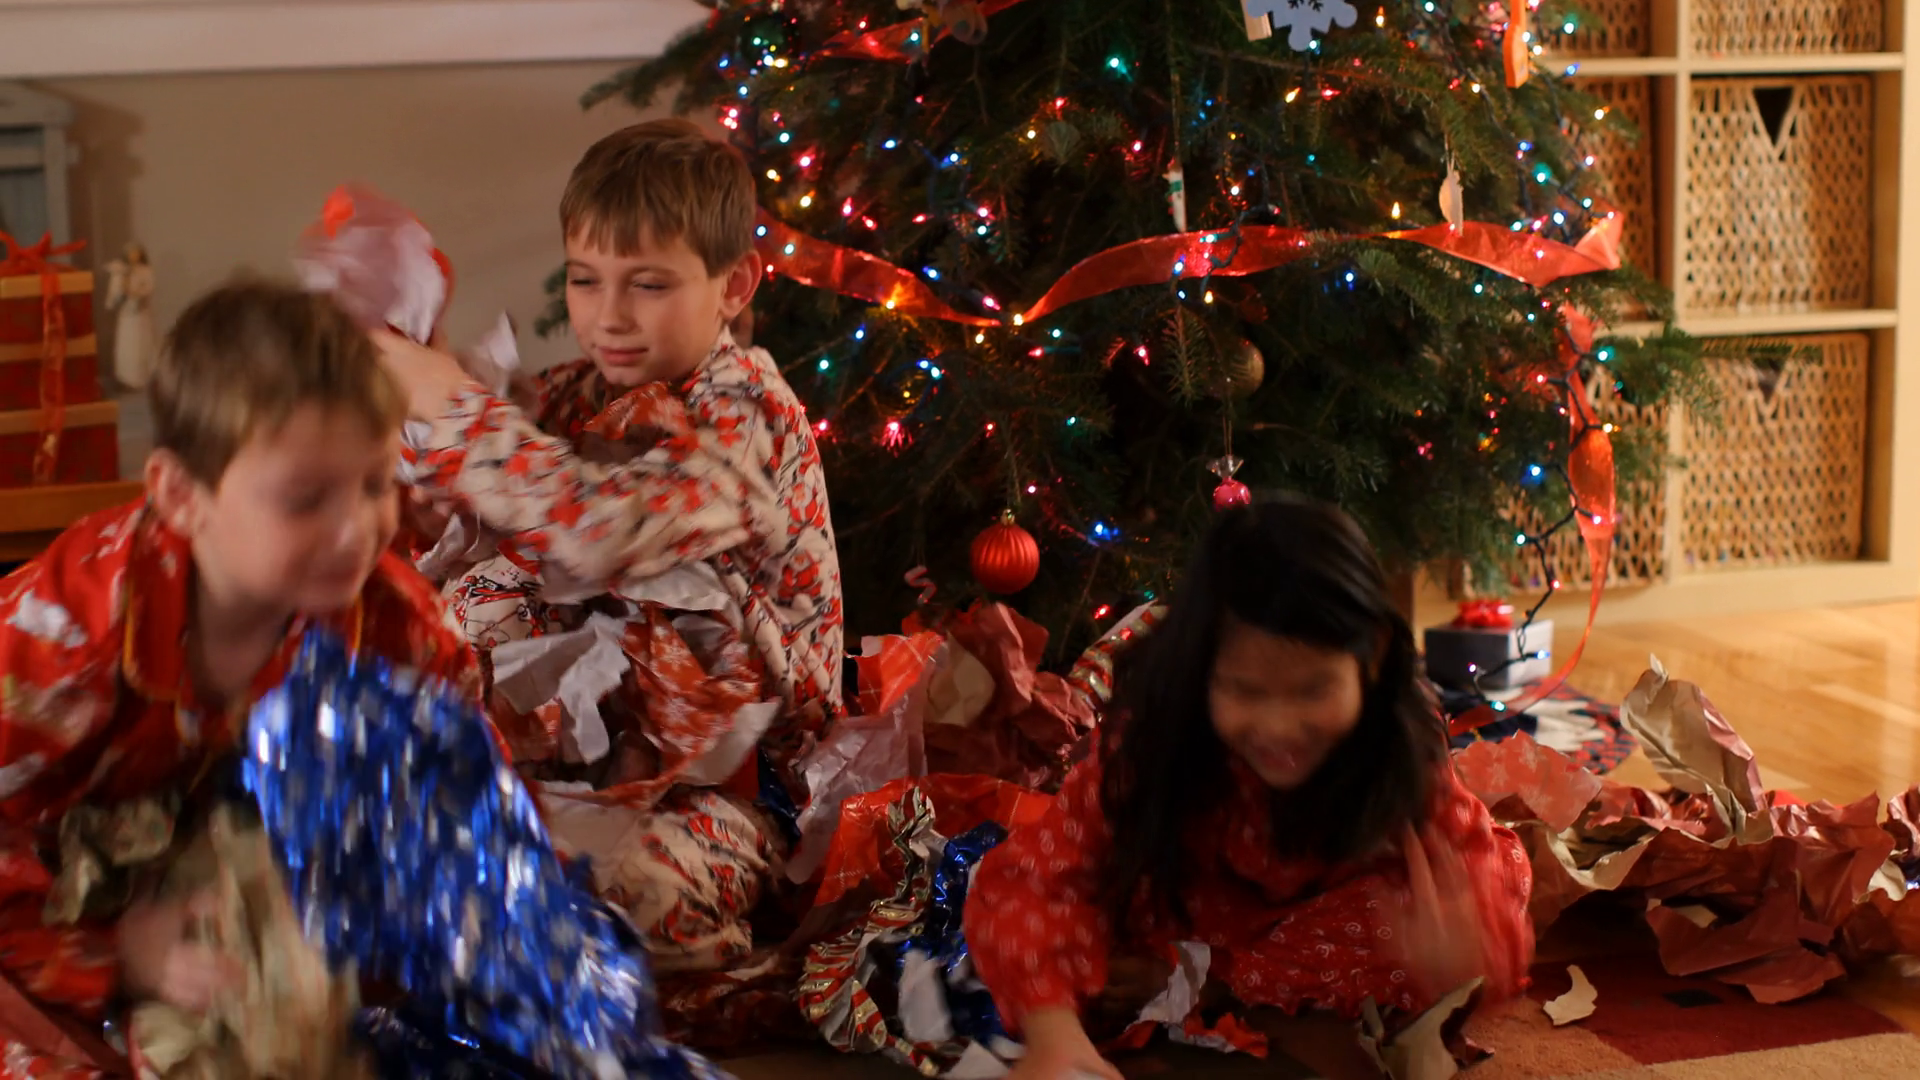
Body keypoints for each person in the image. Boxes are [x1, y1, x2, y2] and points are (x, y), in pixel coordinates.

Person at [369, 118, 842, 981]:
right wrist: (429, 428)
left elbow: (603, 529)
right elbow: (483, 506)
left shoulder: (745, 411)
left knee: (625, 897)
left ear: (734, 285)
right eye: (584, 280)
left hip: (738, 788)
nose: (609, 316)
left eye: (649, 285)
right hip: (587, 756)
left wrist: (456, 413)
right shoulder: (579, 391)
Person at [0, 280, 479, 1077]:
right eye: (305, 499)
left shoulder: (398, 626)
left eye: (374, 483)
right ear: (181, 496)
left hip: (219, 878)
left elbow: (468, 797)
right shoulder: (63, 635)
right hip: (44, 888)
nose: (356, 530)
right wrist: (115, 955)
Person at [964, 497, 1533, 1080]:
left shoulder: (1397, 741)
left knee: (1471, 890)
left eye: (1312, 690)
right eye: (1245, 691)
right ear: (1201, 669)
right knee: (1051, 927)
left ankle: (1204, 979)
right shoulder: (1152, 742)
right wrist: (1053, 1035)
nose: (1278, 728)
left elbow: (1474, 861)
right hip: (1176, 912)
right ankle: (1190, 973)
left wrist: (1466, 942)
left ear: (1373, 655)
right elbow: (1031, 882)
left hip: (1316, 924)